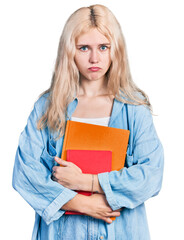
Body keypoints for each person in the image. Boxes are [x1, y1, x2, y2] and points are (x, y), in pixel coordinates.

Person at [12, 4, 164, 240]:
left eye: (103, 47)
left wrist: (87, 181)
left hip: (120, 232)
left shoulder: (134, 108)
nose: (95, 58)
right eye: (84, 48)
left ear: (116, 50)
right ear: (69, 51)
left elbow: (150, 176)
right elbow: (25, 174)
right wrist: (83, 204)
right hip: (64, 233)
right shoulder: (47, 106)